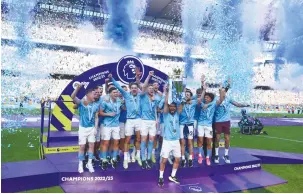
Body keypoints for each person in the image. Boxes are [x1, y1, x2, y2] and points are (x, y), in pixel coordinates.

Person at [110, 75, 142, 169]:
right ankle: (125, 158)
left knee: (138, 139)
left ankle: (137, 156)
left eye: (135, 88)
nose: (134, 89)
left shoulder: (140, 95)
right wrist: (112, 79)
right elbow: (118, 87)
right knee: (127, 140)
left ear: (137, 89)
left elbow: (144, 88)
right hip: (130, 120)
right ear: (130, 89)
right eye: (132, 88)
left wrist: (137, 79)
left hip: (139, 120)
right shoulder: (127, 95)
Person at [214, 87, 250, 164]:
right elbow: (218, 103)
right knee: (217, 138)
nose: (223, 93)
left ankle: (226, 155)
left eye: (224, 92)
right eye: (221, 92)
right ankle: (216, 154)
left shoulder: (229, 98)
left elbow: (237, 104)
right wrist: (221, 98)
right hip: (218, 121)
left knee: (227, 138)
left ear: (225, 92)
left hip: (226, 121)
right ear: (219, 92)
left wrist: (245, 105)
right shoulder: (216, 99)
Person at [71, 83, 99, 173]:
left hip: (91, 128)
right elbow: (72, 97)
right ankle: (80, 163)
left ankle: (89, 163)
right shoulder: (82, 103)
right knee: (82, 146)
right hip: (83, 128)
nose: (96, 95)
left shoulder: (96, 105)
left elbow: (96, 117)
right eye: (94, 93)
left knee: (91, 145)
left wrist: (95, 128)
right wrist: (77, 88)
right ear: (88, 95)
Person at [158, 84, 181, 187]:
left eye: (174, 106)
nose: (172, 108)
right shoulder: (166, 114)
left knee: (177, 159)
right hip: (167, 141)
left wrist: (180, 89)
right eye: (171, 106)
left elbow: (181, 104)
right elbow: (166, 104)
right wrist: (167, 92)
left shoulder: (177, 113)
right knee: (164, 160)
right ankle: (161, 177)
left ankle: (172, 175)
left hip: (176, 141)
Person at [197, 89, 225, 166]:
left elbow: (221, 99)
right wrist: (204, 90)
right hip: (200, 124)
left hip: (209, 126)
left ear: (211, 99)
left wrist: (221, 91)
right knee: (200, 140)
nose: (205, 98)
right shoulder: (201, 104)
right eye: (205, 97)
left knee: (209, 141)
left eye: (207, 97)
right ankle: (200, 155)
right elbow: (199, 100)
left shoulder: (213, 105)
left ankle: (207, 157)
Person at [140, 71, 161, 169]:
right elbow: (143, 87)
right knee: (144, 139)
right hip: (144, 121)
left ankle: (148, 158)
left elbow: (159, 106)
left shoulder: (156, 97)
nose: (151, 89)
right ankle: (143, 159)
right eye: (150, 88)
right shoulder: (143, 96)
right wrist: (149, 76)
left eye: (152, 88)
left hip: (153, 121)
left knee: (152, 139)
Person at [99, 87, 122, 170]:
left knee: (116, 143)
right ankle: (104, 160)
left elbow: (123, 106)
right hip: (107, 125)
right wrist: (108, 114)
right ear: (110, 93)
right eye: (114, 92)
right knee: (106, 143)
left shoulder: (119, 100)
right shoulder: (105, 101)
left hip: (116, 125)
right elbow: (100, 112)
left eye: (117, 92)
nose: (116, 94)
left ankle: (114, 159)